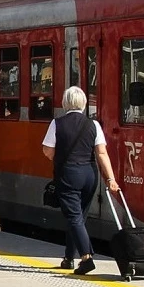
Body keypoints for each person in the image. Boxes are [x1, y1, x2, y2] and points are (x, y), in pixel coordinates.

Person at [40, 85, 120, 275]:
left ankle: (86, 257)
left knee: (74, 217)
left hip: (68, 175)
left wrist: (60, 156)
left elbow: (47, 151)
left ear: (65, 103)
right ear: (84, 104)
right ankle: (68, 258)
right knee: (78, 218)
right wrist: (111, 179)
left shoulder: (57, 123)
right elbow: (102, 153)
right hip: (90, 175)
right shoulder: (93, 125)